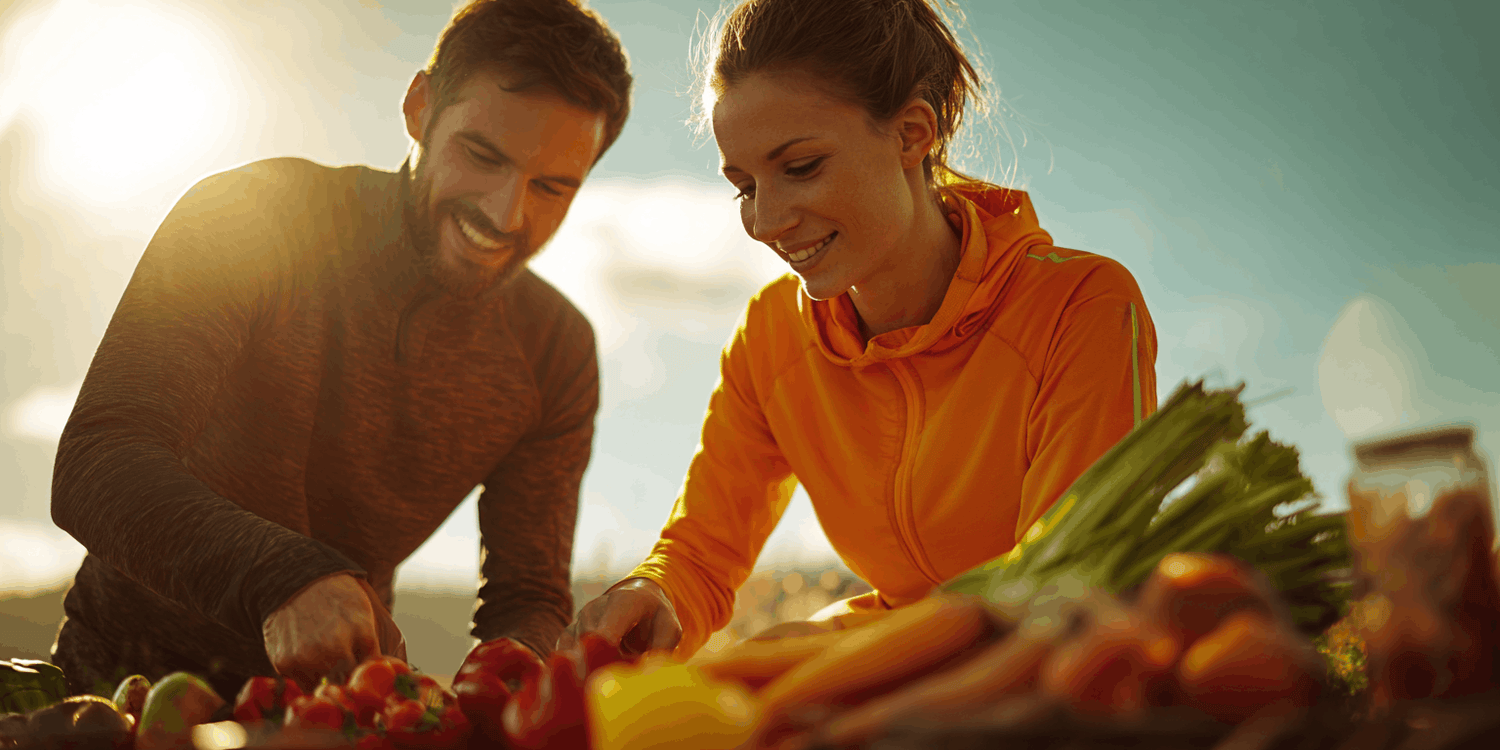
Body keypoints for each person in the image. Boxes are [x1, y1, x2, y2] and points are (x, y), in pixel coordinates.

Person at [48, 0, 631, 699]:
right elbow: (96, 462)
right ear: (420, 107)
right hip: (112, 700)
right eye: (482, 156)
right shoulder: (251, 215)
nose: (507, 214)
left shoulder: (556, 351)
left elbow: (528, 594)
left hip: (338, 719)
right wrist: (283, 574)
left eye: (552, 188)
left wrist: (499, 692)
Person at [561, 0, 1158, 659]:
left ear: (911, 134)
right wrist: (660, 592)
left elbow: (1064, 587)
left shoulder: (1078, 306)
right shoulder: (771, 337)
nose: (764, 222)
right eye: (744, 186)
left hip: (1040, 665)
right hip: (895, 644)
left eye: (800, 168)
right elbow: (704, 549)